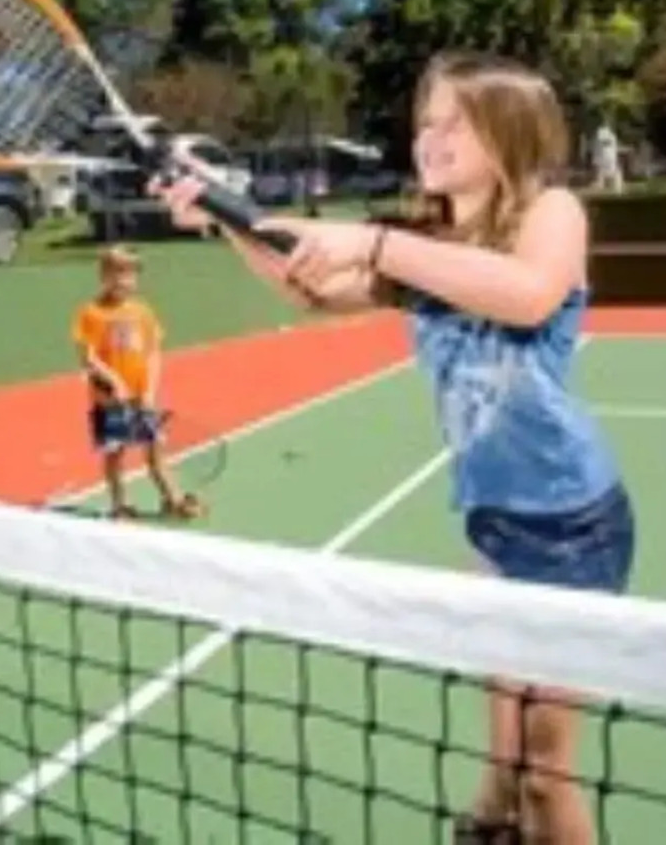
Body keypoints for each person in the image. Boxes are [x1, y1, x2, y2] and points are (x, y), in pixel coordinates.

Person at [157, 51, 634, 845]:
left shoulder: (553, 213)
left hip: (571, 526)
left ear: (510, 132)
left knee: (549, 778)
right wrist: (221, 217)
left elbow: (527, 296)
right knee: (508, 739)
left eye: (456, 122)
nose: (430, 137)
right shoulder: (432, 242)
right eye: (424, 122)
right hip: (493, 520)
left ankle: (506, 818)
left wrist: (373, 242)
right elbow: (312, 289)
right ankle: (490, 821)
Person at [71, 245, 204, 521]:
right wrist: (114, 382)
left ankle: (173, 499)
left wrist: (149, 391)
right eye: (115, 274)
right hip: (110, 401)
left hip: (142, 398)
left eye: (129, 274)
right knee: (115, 453)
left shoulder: (143, 312)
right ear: (103, 276)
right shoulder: (91, 313)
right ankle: (120, 506)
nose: (122, 281)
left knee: (155, 449)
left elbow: (153, 353)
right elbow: (88, 358)